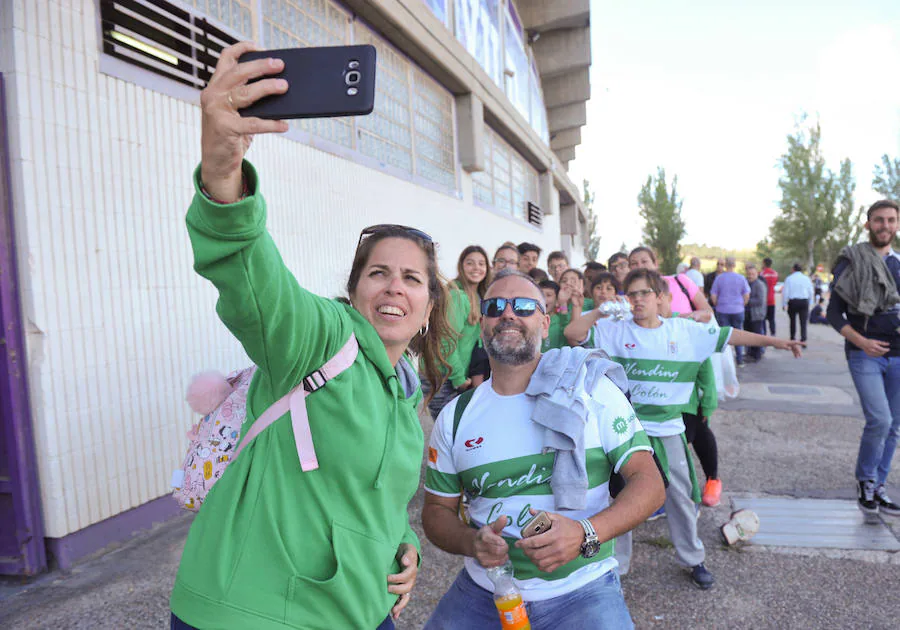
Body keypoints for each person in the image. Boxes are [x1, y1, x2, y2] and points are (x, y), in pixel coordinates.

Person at [171, 42, 455, 630]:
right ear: (354, 293)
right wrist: (223, 170)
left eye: (411, 278)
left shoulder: (405, 396)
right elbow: (252, 277)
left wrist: (406, 546)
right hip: (248, 610)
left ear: (429, 308)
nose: (393, 288)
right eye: (378, 273)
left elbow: (378, 503)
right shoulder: (318, 338)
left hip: (358, 608)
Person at [422, 269, 665, 629]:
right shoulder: (455, 417)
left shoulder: (592, 390)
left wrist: (586, 532)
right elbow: (436, 513)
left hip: (584, 587)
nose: (508, 314)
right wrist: (472, 541)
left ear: (546, 322)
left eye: (523, 306)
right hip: (485, 590)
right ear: (482, 324)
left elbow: (649, 482)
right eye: (494, 306)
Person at [564, 269, 803, 589]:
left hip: (668, 430)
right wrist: (600, 310)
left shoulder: (684, 331)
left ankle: (693, 558)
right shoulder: (612, 330)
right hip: (625, 432)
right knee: (620, 502)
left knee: (680, 498)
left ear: (661, 297)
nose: (637, 300)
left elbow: (731, 335)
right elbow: (572, 333)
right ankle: (615, 568)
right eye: (631, 294)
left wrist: (779, 342)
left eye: (644, 293)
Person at [827, 199, 900, 520]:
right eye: (879, 220)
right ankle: (866, 481)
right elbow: (832, 313)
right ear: (868, 223)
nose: (885, 226)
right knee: (880, 420)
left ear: (897, 225)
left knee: (895, 425)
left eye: (891, 220)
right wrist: (863, 342)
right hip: (863, 354)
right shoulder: (852, 261)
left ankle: (879, 485)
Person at [422, 246, 493, 418]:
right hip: (443, 375)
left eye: (481, 263)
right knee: (450, 432)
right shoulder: (457, 295)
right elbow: (446, 340)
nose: (476, 268)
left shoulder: (477, 297)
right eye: (470, 263)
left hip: (453, 373)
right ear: (461, 266)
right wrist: (459, 378)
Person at [628, 247, 712, 323]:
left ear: (655, 264)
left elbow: (708, 311)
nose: (639, 266)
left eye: (644, 261)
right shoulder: (629, 295)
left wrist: (691, 317)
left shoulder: (680, 281)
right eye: (634, 263)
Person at [710, 257, 751, 366]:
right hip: (737, 310)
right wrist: (743, 304)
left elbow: (713, 295)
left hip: (723, 309)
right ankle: (739, 360)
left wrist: (717, 304)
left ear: (725, 265)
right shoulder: (741, 278)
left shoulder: (719, 278)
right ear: (734, 265)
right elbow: (746, 295)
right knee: (738, 334)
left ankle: (724, 361)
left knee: (724, 336)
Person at [782, 262, 814, 343]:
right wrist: (810, 302)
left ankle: (792, 338)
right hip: (804, 301)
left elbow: (785, 292)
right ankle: (803, 339)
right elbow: (811, 291)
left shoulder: (789, 278)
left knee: (792, 321)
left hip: (793, 302)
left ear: (793, 269)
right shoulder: (806, 278)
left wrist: (784, 303)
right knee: (803, 322)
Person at [744, 263, 768, 362]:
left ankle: (756, 355)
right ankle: (749, 353)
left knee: (756, 336)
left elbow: (760, 301)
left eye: (752, 274)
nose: (750, 276)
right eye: (748, 274)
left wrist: (745, 301)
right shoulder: (745, 283)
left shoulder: (759, 284)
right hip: (747, 314)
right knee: (747, 335)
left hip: (757, 315)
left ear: (756, 274)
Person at [538, 279, 566, 351]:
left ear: (557, 301)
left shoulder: (560, 322)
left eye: (548, 295)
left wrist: (563, 304)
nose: (543, 298)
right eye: (540, 294)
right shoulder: (529, 319)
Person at [760, 257, 779, 335]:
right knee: (771, 319)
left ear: (764, 263)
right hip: (772, 300)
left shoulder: (762, 273)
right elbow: (775, 283)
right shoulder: (775, 273)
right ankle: (773, 333)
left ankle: (764, 334)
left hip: (763, 300)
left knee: (763, 319)